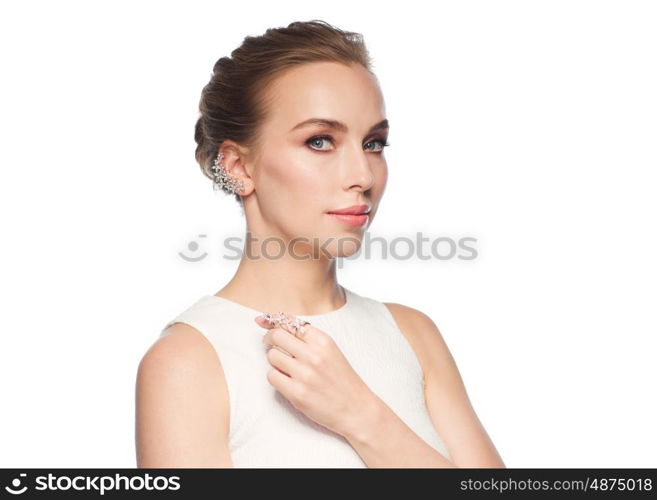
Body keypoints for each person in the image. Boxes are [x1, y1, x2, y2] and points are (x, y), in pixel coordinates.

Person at [135, 19, 505, 468]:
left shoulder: (413, 334)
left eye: (373, 143)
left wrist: (361, 415)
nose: (363, 176)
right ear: (238, 166)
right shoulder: (187, 361)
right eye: (320, 141)